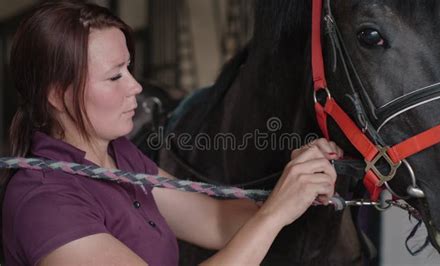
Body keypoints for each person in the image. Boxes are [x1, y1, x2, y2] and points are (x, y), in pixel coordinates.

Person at [1, 1, 343, 265]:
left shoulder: (119, 157)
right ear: (59, 95)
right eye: (114, 76)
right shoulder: (45, 204)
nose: (135, 86)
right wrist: (275, 212)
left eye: (129, 69)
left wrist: (297, 187)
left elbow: (215, 222)